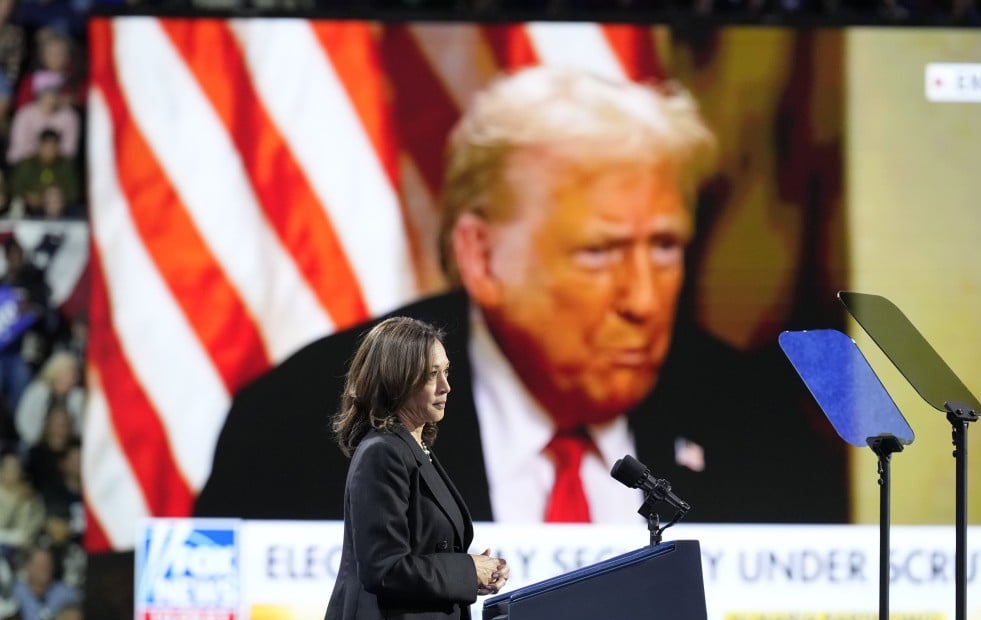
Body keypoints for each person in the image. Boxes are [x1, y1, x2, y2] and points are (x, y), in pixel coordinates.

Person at [196, 65, 848, 526]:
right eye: (600, 252)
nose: (645, 301)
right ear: (482, 258)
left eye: (666, 247)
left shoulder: (760, 425)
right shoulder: (314, 426)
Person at [309, 317, 508, 620]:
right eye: (432, 374)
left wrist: (474, 573)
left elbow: (423, 548)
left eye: (446, 371)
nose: (446, 386)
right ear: (397, 380)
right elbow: (384, 567)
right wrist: (465, 570)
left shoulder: (414, 448)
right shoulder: (382, 453)